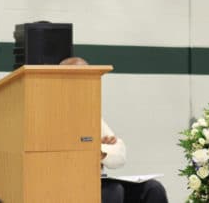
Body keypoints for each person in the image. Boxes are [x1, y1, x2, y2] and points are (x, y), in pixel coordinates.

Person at [59, 57, 168, 203]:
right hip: (68, 184)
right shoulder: (54, 113)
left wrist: (100, 151)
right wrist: (99, 150)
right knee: (113, 190)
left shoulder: (90, 114)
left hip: (97, 180)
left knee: (153, 188)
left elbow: (119, 156)